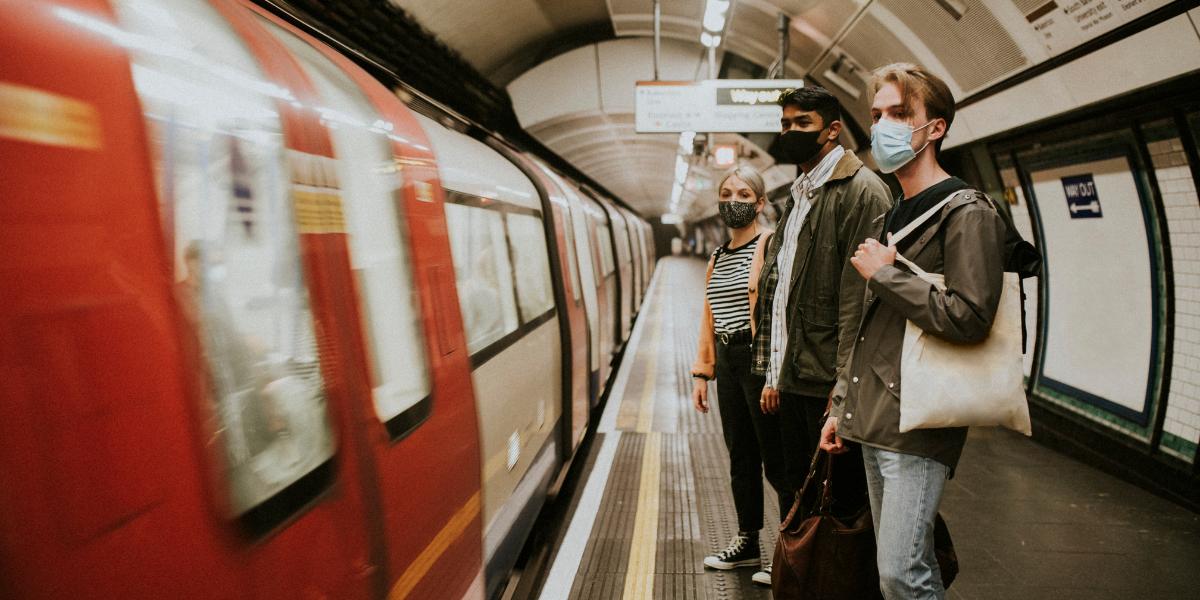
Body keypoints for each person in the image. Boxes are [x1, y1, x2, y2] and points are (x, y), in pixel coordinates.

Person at [820, 63, 1009, 600]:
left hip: (920, 418)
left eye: (900, 114)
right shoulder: (894, 213)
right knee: (901, 566)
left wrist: (885, 274)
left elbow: (969, 316)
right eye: (877, 115)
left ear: (937, 128)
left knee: (903, 575)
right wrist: (841, 407)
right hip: (878, 416)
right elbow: (868, 328)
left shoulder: (967, 212)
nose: (883, 126)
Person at [752, 86, 891, 524]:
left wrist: (843, 389)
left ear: (832, 130)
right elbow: (783, 295)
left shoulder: (863, 191)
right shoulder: (798, 193)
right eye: (785, 124)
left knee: (839, 505)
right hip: (796, 378)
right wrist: (775, 373)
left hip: (828, 382)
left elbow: (861, 302)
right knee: (801, 490)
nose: (789, 132)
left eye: (802, 124)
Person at [691, 166, 781, 586]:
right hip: (728, 360)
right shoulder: (718, 255)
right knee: (740, 457)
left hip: (759, 359)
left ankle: (788, 547)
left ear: (760, 203)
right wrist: (702, 372)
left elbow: (780, 312)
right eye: (727, 193)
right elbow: (709, 317)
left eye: (744, 193)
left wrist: (774, 374)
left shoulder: (771, 245)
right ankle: (747, 542)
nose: (734, 200)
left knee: (777, 460)